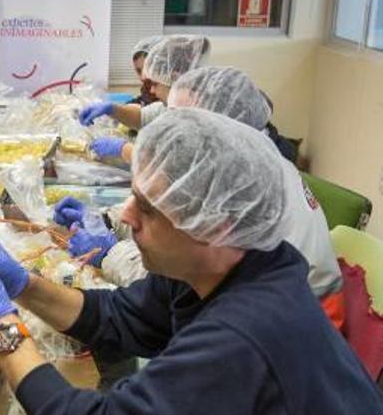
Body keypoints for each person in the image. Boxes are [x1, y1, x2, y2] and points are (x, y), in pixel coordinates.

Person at [0, 108, 383, 415]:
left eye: (147, 207)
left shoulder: (244, 334)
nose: (126, 214)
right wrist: (22, 286)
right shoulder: (220, 267)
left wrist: (1, 324)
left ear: (213, 225)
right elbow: (118, 316)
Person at [70, 66, 344, 327]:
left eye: (181, 121)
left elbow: (180, 280)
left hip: (295, 320)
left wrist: (110, 253)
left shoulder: (235, 188)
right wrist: (107, 220)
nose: (169, 130)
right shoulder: (251, 160)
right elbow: (170, 224)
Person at [79, 35, 210, 132]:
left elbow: (167, 161)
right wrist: (112, 109)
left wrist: (122, 149)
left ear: (174, 77)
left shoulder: (198, 118)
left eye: (155, 84)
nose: (151, 90)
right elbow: (142, 116)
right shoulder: (173, 106)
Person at [126, 35, 163, 107]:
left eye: (148, 69)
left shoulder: (171, 95)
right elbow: (143, 100)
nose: (143, 77)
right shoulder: (146, 89)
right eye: (139, 71)